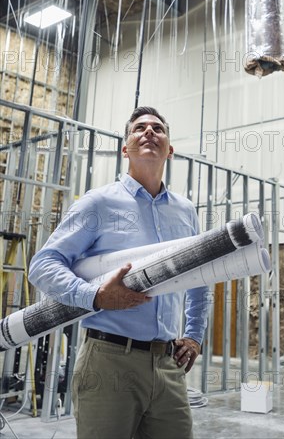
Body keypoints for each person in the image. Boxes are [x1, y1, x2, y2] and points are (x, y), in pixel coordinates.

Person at [29, 106, 209, 439]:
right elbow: (43, 265)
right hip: (109, 361)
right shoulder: (98, 204)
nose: (149, 132)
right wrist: (95, 296)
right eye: (139, 128)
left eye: (158, 128)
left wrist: (195, 335)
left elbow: (199, 279)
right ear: (125, 148)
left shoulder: (186, 211)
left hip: (168, 365)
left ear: (170, 150)